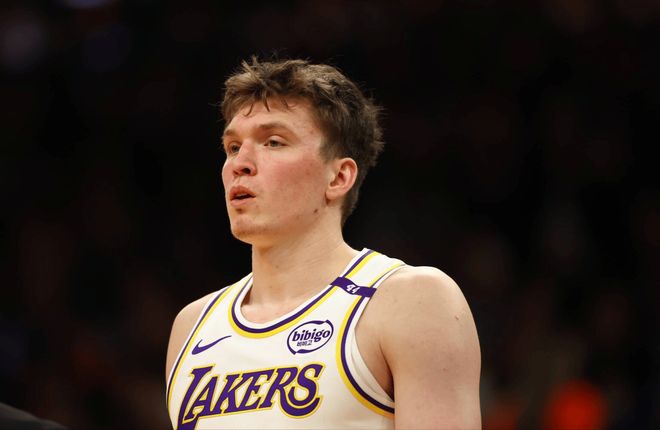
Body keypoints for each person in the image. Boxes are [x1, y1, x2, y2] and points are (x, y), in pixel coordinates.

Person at [165, 57, 481, 429]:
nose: (240, 164)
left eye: (273, 142)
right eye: (233, 147)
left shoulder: (410, 301)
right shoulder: (193, 326)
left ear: (339, 177)